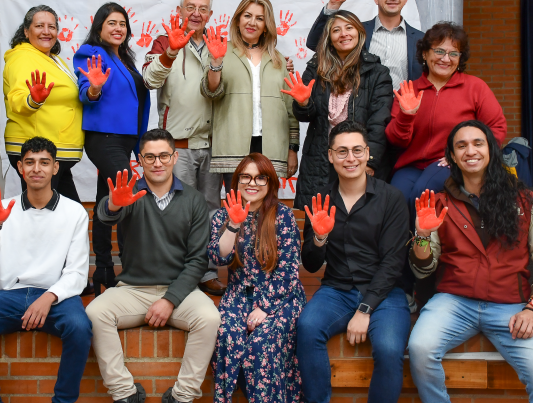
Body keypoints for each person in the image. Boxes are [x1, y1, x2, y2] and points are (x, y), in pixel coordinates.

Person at [0, 136, 92, 403]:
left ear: (55, 168)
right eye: (29, 162)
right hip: (7, 294)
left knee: (80, 326)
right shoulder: (3, 208)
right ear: (20, 168)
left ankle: (63, 401)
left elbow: (76, 273)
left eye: (44, 162)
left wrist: (48, 298)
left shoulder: (75, 212)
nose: (36, 168)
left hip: (54, 297)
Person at [85, 128, 220, 403]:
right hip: (133, 288)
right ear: (140, 161)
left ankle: (183, 395)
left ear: (174, 157)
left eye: (163, 156)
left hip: (180, 291)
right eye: (149, 157)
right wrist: (112, 205)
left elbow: (198, 261)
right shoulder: (129, 194)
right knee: (95, 312)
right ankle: (124, 393)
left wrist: (170, 300)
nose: (157, 163)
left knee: (210, 319)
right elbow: (105, 216)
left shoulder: (194, 200)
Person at [408, 120, 533, 402]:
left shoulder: (524, 200)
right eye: (461, 145)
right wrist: (422, 235)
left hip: (511, 306)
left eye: (478, 143)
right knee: (419, 348)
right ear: (451, 156)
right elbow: (422, 267)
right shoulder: (438, 202)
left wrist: (532, 309)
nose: (470, 151)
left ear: (491, 149)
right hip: (454, 302)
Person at [296, 120, 411, 403]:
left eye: (357, 150)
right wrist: (320, 238)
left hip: (384, 292)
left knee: (387, 347)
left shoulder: (391, 198)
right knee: (307, 328)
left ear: (368, 153)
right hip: (337, 289)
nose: (351, 158)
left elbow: (393, 262)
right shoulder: (320, 199)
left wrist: (365, 309)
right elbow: (310, 265)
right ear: (331, 156)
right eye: (343, 151)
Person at [142, 0, 225, 295]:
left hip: (214, 147)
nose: (196, 14)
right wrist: (171, 51)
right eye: (190, 7)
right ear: (179, 11)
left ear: (210, 15)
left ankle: (206, 272)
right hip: (179, 148)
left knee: (212, 213)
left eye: (203, 9)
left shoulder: (218, 45)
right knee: (177, 213)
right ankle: (176, 274)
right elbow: (149, 80)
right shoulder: (164, 41)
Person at [208, 153, 306, 402]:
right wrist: (232, 224)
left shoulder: (282, 216)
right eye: (246, 177)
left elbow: (289, 270)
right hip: (239, 295)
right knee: (227, 335)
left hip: (280, 297)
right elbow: (219, 259)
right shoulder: (222, 215)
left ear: (271, 183)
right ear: (236, 181)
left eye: (261, 178)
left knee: (261, 345)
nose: (252, 183)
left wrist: (266, 307)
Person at [387, 22, 507, 223]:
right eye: (439, 51)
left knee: (422, 193)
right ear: (425, 54)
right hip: (411, 165)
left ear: (460, 59)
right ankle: (401, 253)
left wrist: (464, 155)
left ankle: (422, 252)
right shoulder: (409, 90)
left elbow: (497, 128)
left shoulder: (475, 87)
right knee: (395, 199)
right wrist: (406, 115)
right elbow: (395, 140)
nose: (445, 59)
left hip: (452, 163)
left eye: (453, 53)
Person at [75, 2, 150, 295]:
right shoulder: (91, 53)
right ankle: (134, 267)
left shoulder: (128, 60)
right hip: (104, 138)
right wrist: (94, 87)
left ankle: (104, 267)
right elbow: (86, 91)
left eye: (122, 24)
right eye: (111, 23)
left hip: (128, 139)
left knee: (106, 198)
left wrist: (140, 145)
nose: (118, 29)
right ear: (99, 27)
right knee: (129, 196)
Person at [287, 10, 393, 210]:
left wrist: (369, 162)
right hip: (320, 156)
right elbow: (305, 116)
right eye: (336, 30)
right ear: (329, 38)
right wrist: (302, 103)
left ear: (360, 33)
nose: (343, 34)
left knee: (357, 218)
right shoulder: (316, 68)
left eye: (349, 28)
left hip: (358, 158)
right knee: (317, 220)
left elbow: (379, 123)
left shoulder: (378, 73)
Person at [201, 0, 299, 187]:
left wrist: (292, 149)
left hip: (271, 147)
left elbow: (290, 109)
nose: (252, 22)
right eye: (247, 15)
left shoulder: (280, 60)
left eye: (259, 18)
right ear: (238, 20)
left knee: (267, 208)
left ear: (266, 26)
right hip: (233, 145)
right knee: (236, 207)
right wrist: (216, 63)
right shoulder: (220, 50)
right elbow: (211, 92)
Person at [3, 5, 84, 203]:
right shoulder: (22, 57)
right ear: (26, 31)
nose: (46, 31)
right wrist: (34, 100)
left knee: (71, 214)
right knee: (41, 212)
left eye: (52, 26)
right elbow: (17, 99)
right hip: (37, 149)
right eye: (39, 26)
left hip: (56, 148)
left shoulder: (52, 59)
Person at [307, 0, 423, 88]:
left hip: (402, 106)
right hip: (362, 106)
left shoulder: (421, 39)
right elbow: (315, 44)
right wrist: (333, 5)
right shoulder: (357, 31)